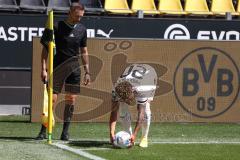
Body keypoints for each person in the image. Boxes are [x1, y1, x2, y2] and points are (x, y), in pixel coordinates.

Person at [35, 2, 90, 141]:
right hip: (57, 67)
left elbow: (84, 51)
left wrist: (87, 71)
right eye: (77, 16)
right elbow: (45, 49)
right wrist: (44, 69)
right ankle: (44, 130)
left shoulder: (82, 29)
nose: (79, 18)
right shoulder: (55, 26)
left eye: (81, 16)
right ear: (70, 12)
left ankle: (65, 132)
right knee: (51, 101)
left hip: (74, 69)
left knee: (71, 100)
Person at [109, 64, 157, 148]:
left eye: (127, 99)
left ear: (132, 92)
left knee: (146, 109)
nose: (127, 102)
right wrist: (111, 133)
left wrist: (134, 134)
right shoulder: (116, 90)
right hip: (133, 79)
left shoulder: (144, 88)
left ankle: (144, 137)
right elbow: (114, 112)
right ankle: (127, 134)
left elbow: (141, 114)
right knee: (122, 109)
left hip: (149, 75)